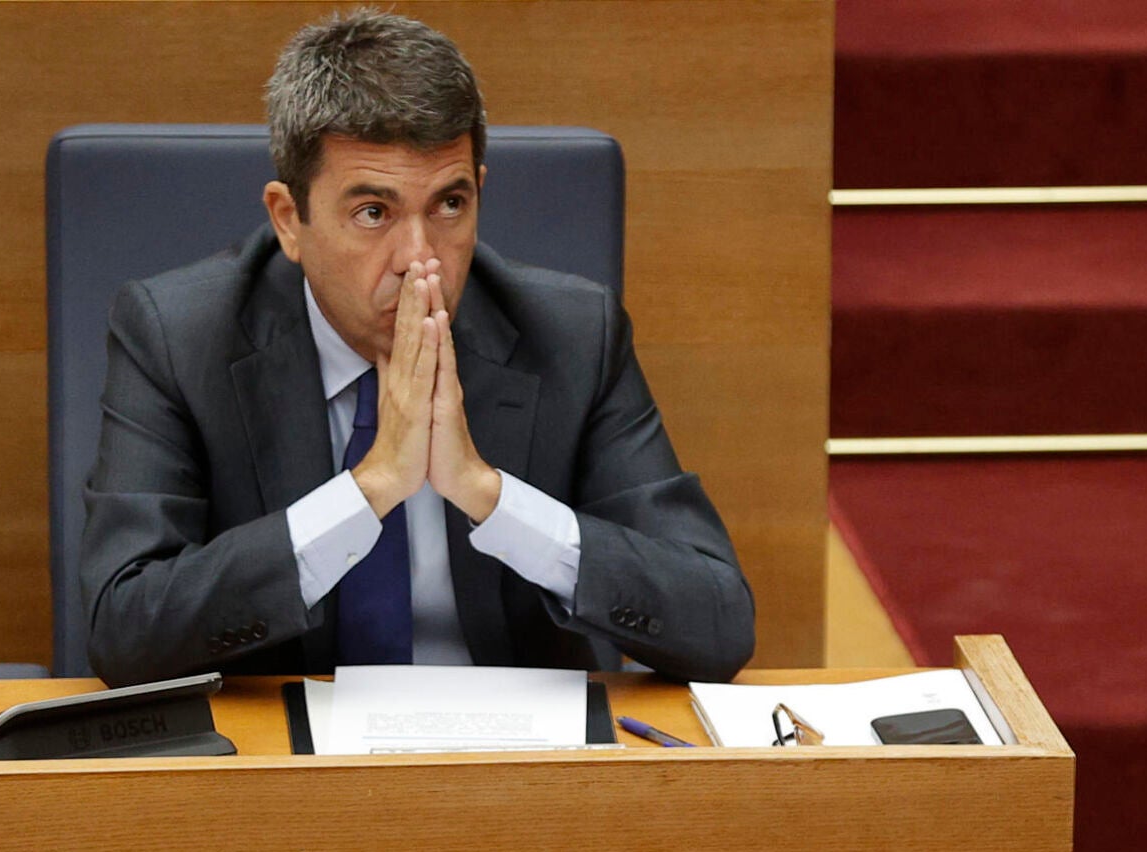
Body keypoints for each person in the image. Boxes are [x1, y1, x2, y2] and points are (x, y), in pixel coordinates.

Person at [80, 9, 755, 685]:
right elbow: (125, 630)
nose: (419, 258)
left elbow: (719, 622)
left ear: (479, 192)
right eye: (373, 213)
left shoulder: (572, 334)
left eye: (448, 205)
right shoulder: (179, 336)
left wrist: (487, 493)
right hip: (279, 743)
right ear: (289, 220)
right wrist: (371, 487)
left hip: (513, 741)